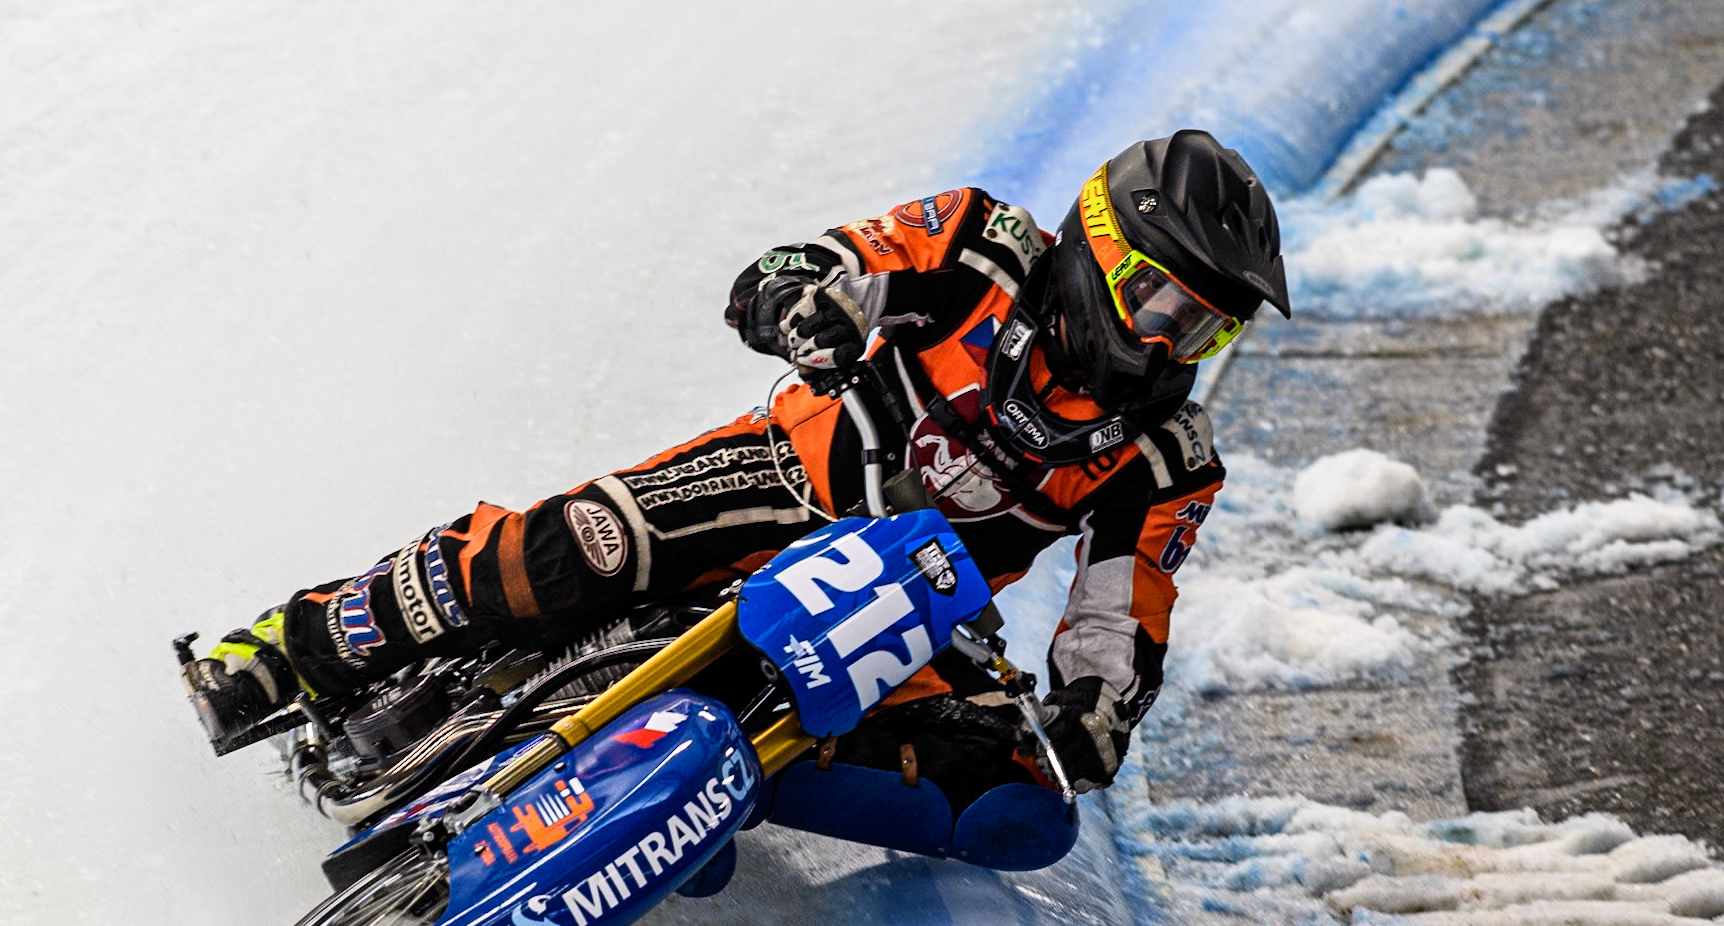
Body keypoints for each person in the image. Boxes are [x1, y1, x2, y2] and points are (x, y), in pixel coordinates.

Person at [187, 129, 1289, 804]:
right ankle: (296, 641)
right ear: (1098, 250)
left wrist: (1095, 711)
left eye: (1201, 334)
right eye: (1157, 303)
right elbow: (824, 261)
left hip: (903, 609)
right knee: (569, 553)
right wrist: (798, 294)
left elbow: (1121, 607)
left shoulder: (1167, 458)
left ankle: (677, 815)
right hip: (781, 482)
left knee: (1014, 797)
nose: (1163, 345)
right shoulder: (978, 245)